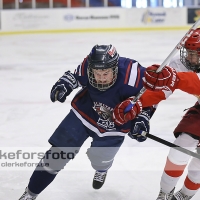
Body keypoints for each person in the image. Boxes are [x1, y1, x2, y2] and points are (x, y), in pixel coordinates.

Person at [18, 44, 155, 200]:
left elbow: (150, 97)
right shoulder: (90, 64)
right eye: (97, 74)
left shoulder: (134, 75)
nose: (101, 78)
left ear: (115, 68)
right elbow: (75, 77)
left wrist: (142, 118)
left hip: (114, 125)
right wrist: (65, 84)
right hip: (84, 113)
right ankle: (30, 194)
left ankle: (102, 169)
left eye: (106, 73)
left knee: (99, 160)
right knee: (56, 155)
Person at [141, 28, 200, 200]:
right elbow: (159, 90)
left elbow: (195, 84)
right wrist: (142, 111)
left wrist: (177, 79)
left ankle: (185, 195)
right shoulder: (181, 63)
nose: (188, 58)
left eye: (193, 54)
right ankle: (165, 192)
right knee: (180, 147)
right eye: (187, 52)